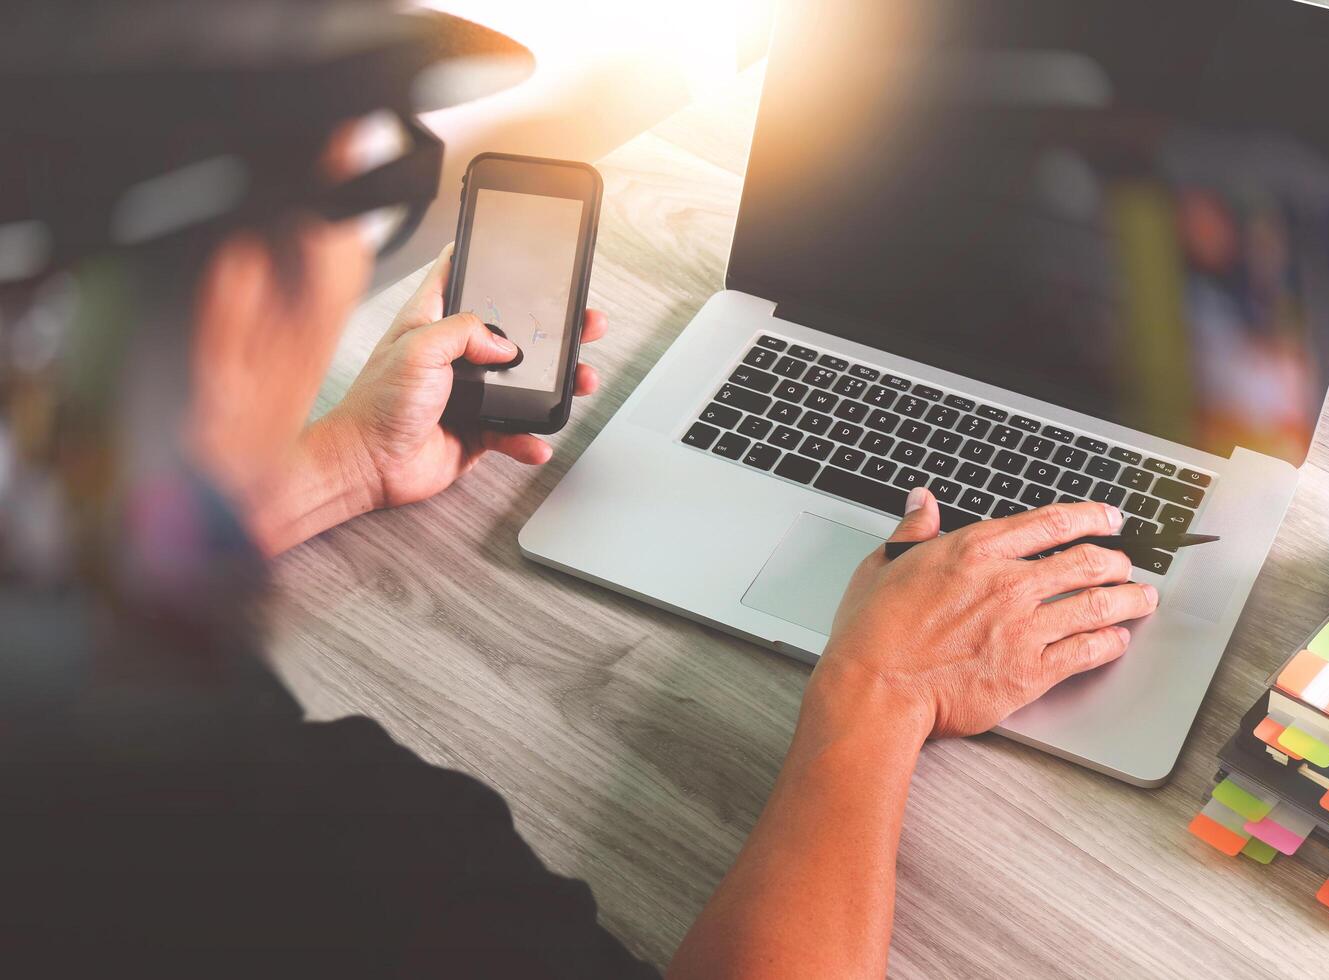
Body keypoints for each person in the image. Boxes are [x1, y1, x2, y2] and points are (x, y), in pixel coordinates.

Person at [0, 2, 1157, 975]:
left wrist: (340, 462)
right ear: (238, 294)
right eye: (383, 179)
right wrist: (879, 693)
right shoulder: (316, 853)